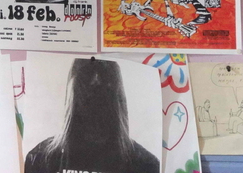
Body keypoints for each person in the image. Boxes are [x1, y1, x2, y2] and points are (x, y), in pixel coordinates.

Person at [24, 58, 158, 173]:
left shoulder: (145, 163)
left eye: (105, 78)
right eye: (87, 75)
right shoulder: (39, 159)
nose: (96, 83)